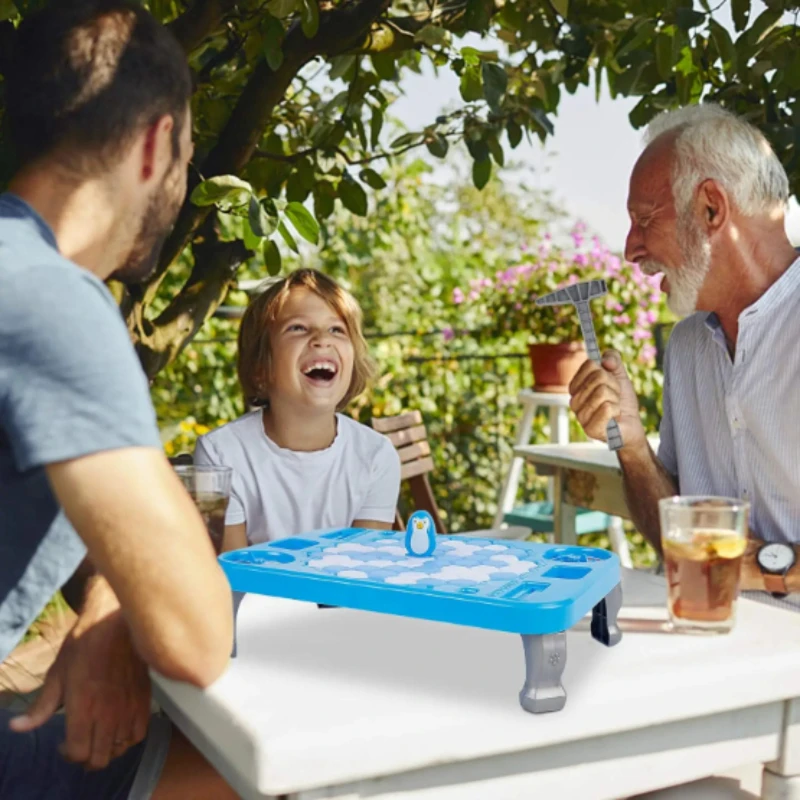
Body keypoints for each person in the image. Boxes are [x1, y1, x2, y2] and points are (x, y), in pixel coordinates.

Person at [0, 2, 239, 797]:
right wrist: (142, 606)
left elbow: (122, 522)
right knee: (244, 768)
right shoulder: (54, 301)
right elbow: (197, 638)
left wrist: (110, 601)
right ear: (156, 142)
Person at [568, 103, 800, 598]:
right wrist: (631, 447)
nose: (630, 249)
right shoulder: (688, 345)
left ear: (711, 208)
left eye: (644, 219)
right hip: (710, 643)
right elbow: (674, 546)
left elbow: (714, 565)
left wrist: (758, 568)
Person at [194, 269, 401, 549]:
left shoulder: (375, 456)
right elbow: (234, 577)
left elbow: (362, 574)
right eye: (298, 328)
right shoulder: (221, 455)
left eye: (337, 329)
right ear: (260, 367)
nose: (321, 339)